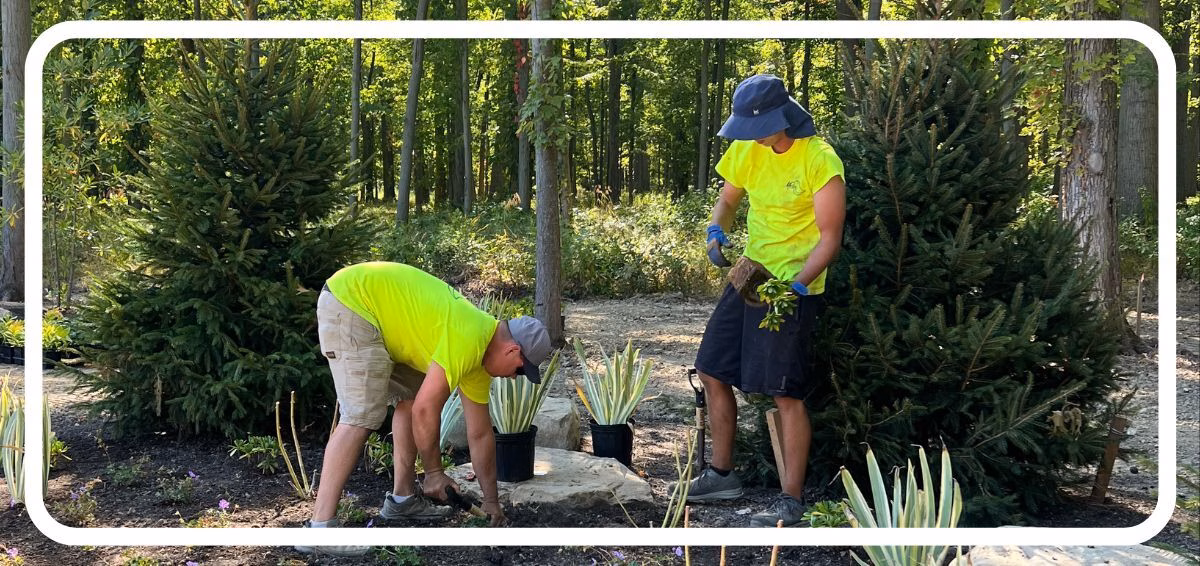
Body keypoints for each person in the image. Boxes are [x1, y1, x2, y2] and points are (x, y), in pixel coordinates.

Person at [675, 74, 846, 527]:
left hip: (794, 281)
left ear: (781, 119)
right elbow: (728, 199)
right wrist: (716, 228)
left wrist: (798, 285)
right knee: (711, 367)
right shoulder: (748, 147)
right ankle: (722, 474)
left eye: (758, 128)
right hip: (750, 271)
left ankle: (791, 498)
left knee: (783, 391)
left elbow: (830, 239)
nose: (749, 137)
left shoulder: (820, 159)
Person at [296, 261, 553, 557]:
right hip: (353, 303)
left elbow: (480, 434)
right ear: (512, 350)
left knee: (411, 395)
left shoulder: (480, 359)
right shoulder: (469, 335)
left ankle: (402, 500)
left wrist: (491, 501)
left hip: (375, 314)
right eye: (520, 371)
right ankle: (320, 528)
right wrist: (433, 473)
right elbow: (425, 412)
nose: (512, 377)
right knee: (361, 415)